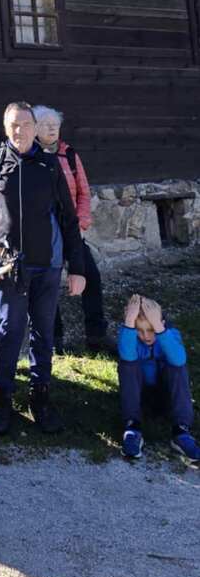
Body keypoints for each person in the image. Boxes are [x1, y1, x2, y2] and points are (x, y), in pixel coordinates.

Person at [0, 102, 86, 436]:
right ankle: (3, 398)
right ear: (5, 126)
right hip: (9, 268)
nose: (19, 131)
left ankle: (40, 397)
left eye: (25, 124)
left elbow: (69, 219)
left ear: (35, 127)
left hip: (48, 266)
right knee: (9, 333)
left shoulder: (50, 164)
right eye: (13, 125)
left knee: (44, 333)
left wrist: (77, 268)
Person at [33, 105, 113, 354]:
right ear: (34, 128)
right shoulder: (30, 156)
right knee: (48, 286)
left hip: (72, 230)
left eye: (55, 123)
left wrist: (81, 223)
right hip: (45, 234)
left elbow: (84, 192)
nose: (52, 127)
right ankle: (54, 340)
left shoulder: (69, 154)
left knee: (92, 279)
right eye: (45, 123)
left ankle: (96, 336)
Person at [118, 294, 199, 465]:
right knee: (127, 364)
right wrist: (130, 321)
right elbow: (127, 355)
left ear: (161, 323)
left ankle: (181, 431)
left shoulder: (169, 334)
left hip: (167, 396)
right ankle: (132, 427)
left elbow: (179, 359)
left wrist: (160, 330)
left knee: (177, 365)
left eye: (151, 330)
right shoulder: (129, 335)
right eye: (139, 330)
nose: (146, 336)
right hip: (139, 397)